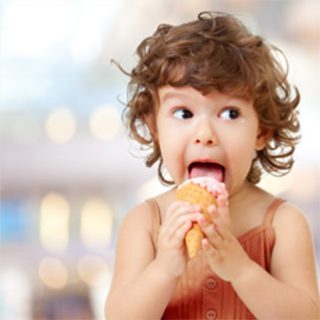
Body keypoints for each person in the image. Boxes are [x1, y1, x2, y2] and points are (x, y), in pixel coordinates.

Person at [105, 11, 320, 319]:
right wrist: (164, 269)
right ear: (155, 128)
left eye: (230, 114)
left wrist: (241, 269)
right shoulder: (145, 224)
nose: (204, 135)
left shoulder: (283, 224)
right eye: (183, 113)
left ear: (261, 132)